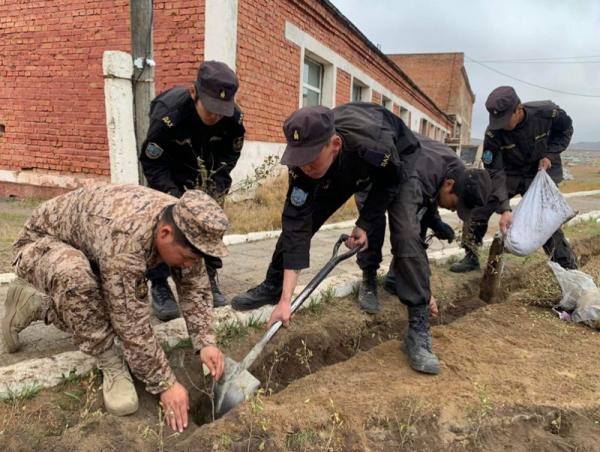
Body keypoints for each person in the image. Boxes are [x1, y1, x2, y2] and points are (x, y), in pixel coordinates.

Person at [231, 103, 492, 374]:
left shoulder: (375, 143)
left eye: (310, 160)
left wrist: (365, 222)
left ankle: (418, 328)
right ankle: (273, 286)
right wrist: (286, 300)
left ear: (334, 143)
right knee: (299, 223)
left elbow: (389, 182)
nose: (304, 167)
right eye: (299, 160)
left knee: (405, 234)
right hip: (346, 165)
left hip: (397, 163)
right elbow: (296, 224)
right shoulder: (304, 160)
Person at [1, 185, 227, 433]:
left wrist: (205, 341)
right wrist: (165, 384)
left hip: (92, 247)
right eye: (186, 257)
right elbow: (130, 323)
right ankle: (108, 360)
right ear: (165, 233)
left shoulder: (184, 222)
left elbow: (194, 284)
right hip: (39, 244)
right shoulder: (126, 239)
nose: (189, 264)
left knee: (104, 303)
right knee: (79, 285)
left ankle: (36, 303)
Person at [140, 60, 245, 319]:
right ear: (194, 93)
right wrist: (174, 197)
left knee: (210, 221)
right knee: (161, 224)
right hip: (169, 174)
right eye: (210, 110)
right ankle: (160, 284)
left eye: (222, 110)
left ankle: (209, 277)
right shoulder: (168, 115)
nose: (216, 116)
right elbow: (153, 162)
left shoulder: (233, 119)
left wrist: (214, 186)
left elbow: (229, 157)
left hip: (204, 174)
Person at [450, 86, 577, 273]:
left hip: (539, 171)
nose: (500, 124)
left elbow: (566, 129)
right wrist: (504, 208)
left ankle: (567, 268)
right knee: (479, 204)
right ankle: (471, 255)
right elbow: (494, 170)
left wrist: (550, 154)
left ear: (518, 109)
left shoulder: (547, 113)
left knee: (544, 219)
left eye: (504, 119)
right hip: (509, 173)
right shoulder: (493, 132)